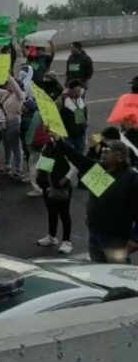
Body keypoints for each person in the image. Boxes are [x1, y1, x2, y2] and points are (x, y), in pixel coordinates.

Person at [53, 136, 138, 264]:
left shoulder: (132, 178)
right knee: (98, 273)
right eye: (103, 149)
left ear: (120, 157)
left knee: (117, 275)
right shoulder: (99, 168)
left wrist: (135, 238)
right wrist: (59, 141)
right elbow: (78, 159)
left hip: (116, 239)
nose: (103, 151)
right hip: (94, 234)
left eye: (107, 150)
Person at [35, 141, 77, 254]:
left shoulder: (66, 148)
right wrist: (41, 179)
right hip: (48, 186)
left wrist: (66, 179)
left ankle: (66, 241)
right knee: (51, 212)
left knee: (64, 214)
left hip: (62, 188)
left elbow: (74, 166)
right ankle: (52, 236)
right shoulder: (47, 147)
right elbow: (43, 164)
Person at [0, 76, 25, 179]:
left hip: (14, 124)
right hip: (4, 123)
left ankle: (18, 169)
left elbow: (16, 88)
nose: (7, 85)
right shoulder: (7, 94)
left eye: (8, 84)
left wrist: (9, 76)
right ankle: (7, 166)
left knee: (16, 147)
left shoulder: (20, 95)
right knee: (6, 146)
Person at [59, 79, 88, 154]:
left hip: (80, 133)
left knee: (81, 153)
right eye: (76, 91)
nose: (78, 93)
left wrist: (84, 125)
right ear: (70, 90)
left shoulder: (80, 99)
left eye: (79, 91)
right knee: (69, 154)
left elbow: (83, 115)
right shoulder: (63, 100)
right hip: (68, 134)